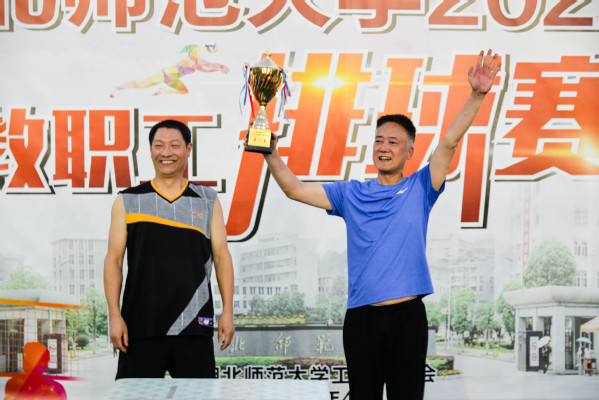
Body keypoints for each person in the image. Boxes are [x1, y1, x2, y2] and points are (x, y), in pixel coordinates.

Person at [253, 50, 500, 399]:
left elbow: (449, 143)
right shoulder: (350, 193)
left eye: (393, 142)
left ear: (409, 152)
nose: (384, 147)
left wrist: (476, 95)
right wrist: (270, 152)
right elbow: (294, 189)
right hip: (362, 319)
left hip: (408, 318)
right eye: (379, 141)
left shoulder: (421, 188)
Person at [104, 119, 235, 379]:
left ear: (188, 149)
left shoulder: (207, 200)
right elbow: (114, 261)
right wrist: (114, 316)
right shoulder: (127, 200)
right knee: (134, 397)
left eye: (175, 145)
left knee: (198, 397)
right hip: (140, 325)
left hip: (194, 325)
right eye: (159, 146)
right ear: (150, 150)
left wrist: (228, 312)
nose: (166, 153)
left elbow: (222, 257)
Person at [110, 44, 230, 97]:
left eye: (197, 53)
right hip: (164, 74)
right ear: (191, 53)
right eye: (194, 52)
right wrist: (217, 68)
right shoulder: (187, 60)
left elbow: (209, 65)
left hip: (172, 80)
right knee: (142, 84)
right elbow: (203, 68)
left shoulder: (198, 60)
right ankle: (118, 87)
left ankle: (163, 91)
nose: (196, 54)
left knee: (184, 91)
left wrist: (221, 67)